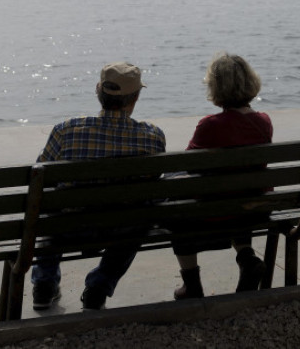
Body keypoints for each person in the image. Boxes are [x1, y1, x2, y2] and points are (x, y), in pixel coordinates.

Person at [30, 62, 166, 312]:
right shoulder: (152, 136)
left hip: (70, 226)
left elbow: (41, 177)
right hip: (121, 228)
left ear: (98, 91)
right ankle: (98, 288)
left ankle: (44, 285)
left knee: (51, 208)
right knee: (139, 218)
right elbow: (153, 179)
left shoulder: (65, 130)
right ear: (135, 98)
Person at [172, 52, 273, 300]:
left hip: (214, 212)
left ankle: (191, 284)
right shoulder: (263, 121)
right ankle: (247, 258)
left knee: (174, 206)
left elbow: (189, 165)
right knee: (239, 187)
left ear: (216, 87)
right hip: (252, 207)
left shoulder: (210, 125)